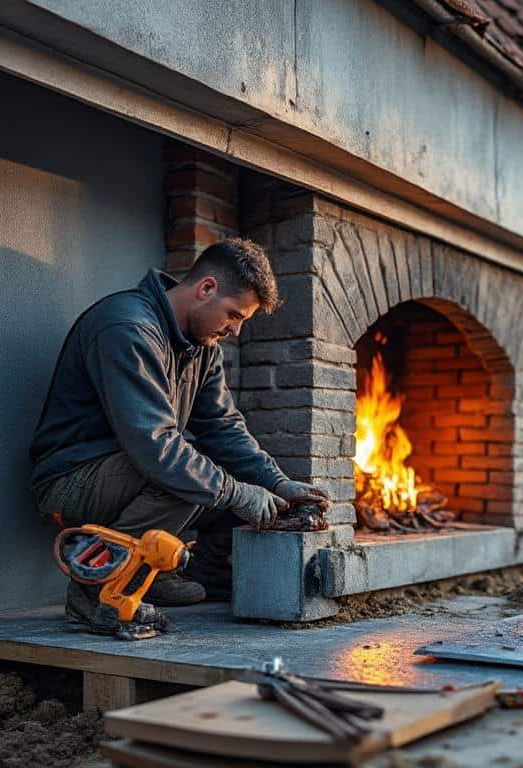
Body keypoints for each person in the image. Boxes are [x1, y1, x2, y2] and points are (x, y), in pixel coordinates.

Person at [29, 237, 329, 621]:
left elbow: (222, 427)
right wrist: (238, 494)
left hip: (126, 473)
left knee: (214, 475)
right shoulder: (128, 327)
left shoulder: (203, 347)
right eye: (234, 315)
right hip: (71, 481)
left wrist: (275, 482)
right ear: (206, 289)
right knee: (191, 477)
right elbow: (155, 448)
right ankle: (96, 590)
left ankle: (166, 571)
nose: (235, 331)